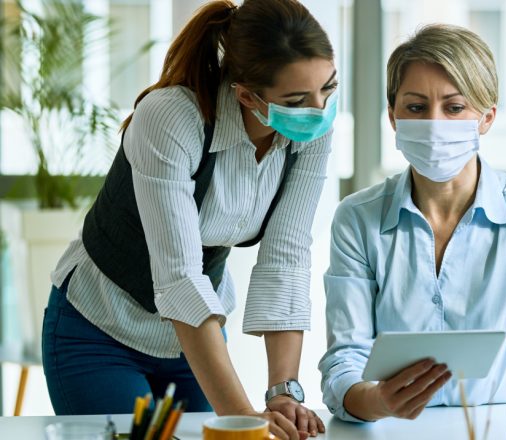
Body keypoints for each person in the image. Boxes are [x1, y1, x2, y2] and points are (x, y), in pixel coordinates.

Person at [42, 1, 333, 438]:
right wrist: (245, 422)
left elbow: (285, 259)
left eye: (328, 89)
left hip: (188, 343)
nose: (319, 110)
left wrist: (283, 392)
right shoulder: (172, 117)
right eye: (296, 100)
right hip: (99, 329)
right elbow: (179, 278)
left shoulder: (308, 133)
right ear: (247, 95)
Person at [319, 24, 506, 422]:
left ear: (486, 118)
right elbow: (344, 359)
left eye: (454, 108)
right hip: (392, 431)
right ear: (393, 116)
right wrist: (376, 401)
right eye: (416, 108)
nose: (435, 124)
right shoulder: (357, 219)